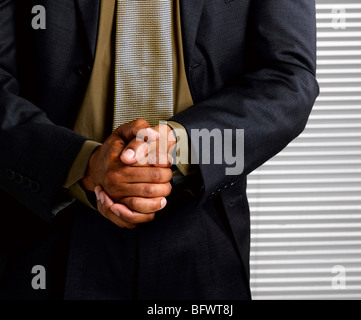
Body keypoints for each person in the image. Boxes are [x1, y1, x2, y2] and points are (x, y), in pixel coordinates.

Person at [0, 0, 319, 299]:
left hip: (204, 226)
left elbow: (289, 79)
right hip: (45, 223)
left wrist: (178, 146)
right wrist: (83, 163)